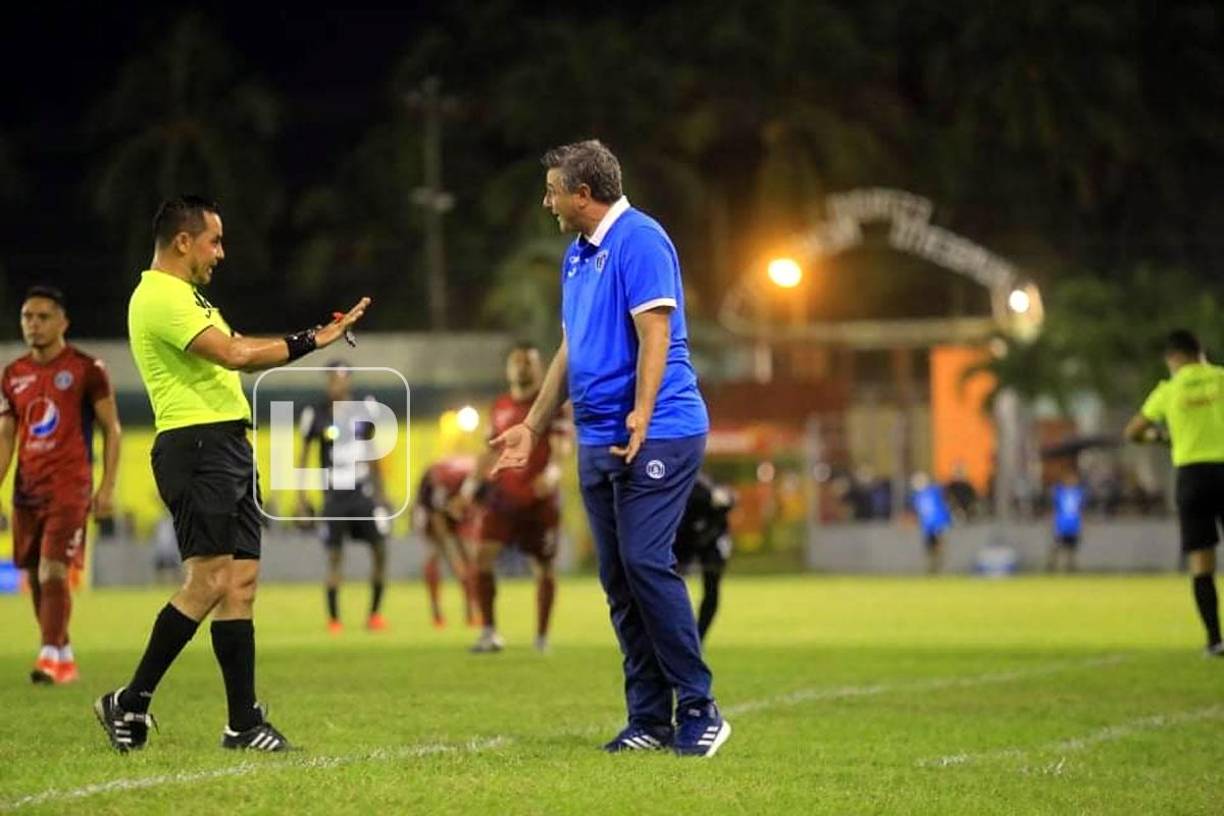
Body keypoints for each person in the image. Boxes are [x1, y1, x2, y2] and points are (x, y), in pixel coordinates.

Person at [95, 195, 370, 753]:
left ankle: (242, 723)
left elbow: (234, 352)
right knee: (210, 581)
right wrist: (312, 340)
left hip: (227, 446)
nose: (220, 253)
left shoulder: (190, 298)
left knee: (240, 585)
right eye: (214, 241)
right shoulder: (160, 296)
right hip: (196, 447)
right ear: (182, 241)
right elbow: (236, 355)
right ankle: (129, 701)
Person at [490, 140, 730, 757]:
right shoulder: (578, 255)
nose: (546, 202)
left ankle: (700, 707)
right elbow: (572, 348)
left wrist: (642, 415)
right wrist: (534, 426)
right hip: (598, 437)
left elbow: (655, 332)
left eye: (552, 191)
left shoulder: (641, 240)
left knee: (647, 563)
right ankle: (649, 718)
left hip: (659, 429)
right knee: (619, 577)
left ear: (583, 195)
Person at [0, 285, 122, 685]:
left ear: (63, 322)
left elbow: (112, 429)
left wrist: (106, 488)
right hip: (26, 489)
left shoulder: (88, 369)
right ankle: (62, 652)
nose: (33, 325)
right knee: (34, 574)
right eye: (27, 317)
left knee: (54, 569)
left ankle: (49, 655)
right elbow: (6, 437)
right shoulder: (13, 375)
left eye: (42, 317)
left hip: (70, 486)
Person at [465, 343, 571, 654]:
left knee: (544, 568)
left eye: (529, 362)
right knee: (481, 558)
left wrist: (551, 475)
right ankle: (488, 632)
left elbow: (562, 446)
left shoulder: (552, 404)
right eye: (517, 362)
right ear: (509, 368)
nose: (522, 367)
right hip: (503, 498)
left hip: (539, 501)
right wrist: (470, 488)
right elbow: (489, 450)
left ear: (540, 369)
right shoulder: (499, 406)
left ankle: (541, 637)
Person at [1125, 329, 1224, 657]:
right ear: (1201, 352)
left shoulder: (1168, 390)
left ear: (1173, 358)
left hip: (1192, 476)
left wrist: (1161, 437)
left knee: (1201, 561)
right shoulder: (1221, 378)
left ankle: (1214, 640)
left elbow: (1134, 431)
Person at [297, 364, 391, 634]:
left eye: (343, 377)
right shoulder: (315, 413)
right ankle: (334, 618)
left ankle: (374, 615)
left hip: (362, 492)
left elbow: (372, 453)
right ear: (327, 382)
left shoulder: (362, 411)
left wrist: (381, 492)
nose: (338, 383)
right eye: (333, 378)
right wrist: (302, 498)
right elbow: (304, 458)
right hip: (335, 494)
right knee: (335, 556)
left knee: (380, 550)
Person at [413, 455, 480, 628]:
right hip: (430, 512)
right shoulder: (439, 481)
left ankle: (472, 610)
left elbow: (476, 514)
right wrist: (451, 554)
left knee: (471, 558)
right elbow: (436, 517)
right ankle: (436, 612)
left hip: (454, 505)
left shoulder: (479, 482)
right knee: (434, 555)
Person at [673, 472, 735, 642]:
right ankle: (677, 634)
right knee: (670, 585)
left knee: (712, 583)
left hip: (711, 537)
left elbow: (728, 499)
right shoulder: (671, 491)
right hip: (684, 539)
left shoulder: (704, 488)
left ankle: (698, 638)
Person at [910, 472, 952, 574]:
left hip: (938, 524)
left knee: (938, 546)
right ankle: (932, 568)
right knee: (929, 548)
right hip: (927, 527)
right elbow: (920, 513)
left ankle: (938, 567)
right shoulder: (917, 497)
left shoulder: (934, 491)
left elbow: (944, 494)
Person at [1048, 472, 1085, 573]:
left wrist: (1081, 525)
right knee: (1056, 547)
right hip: (1062, 524)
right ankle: (1052, 567)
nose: (1071, 481)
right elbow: (1055, 508)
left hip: (1074, 525)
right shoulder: (1059, 492)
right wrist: (1054, 524)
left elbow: (1081, 510)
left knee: (1071, 549)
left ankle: (1070, 568)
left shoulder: (1079, 493)